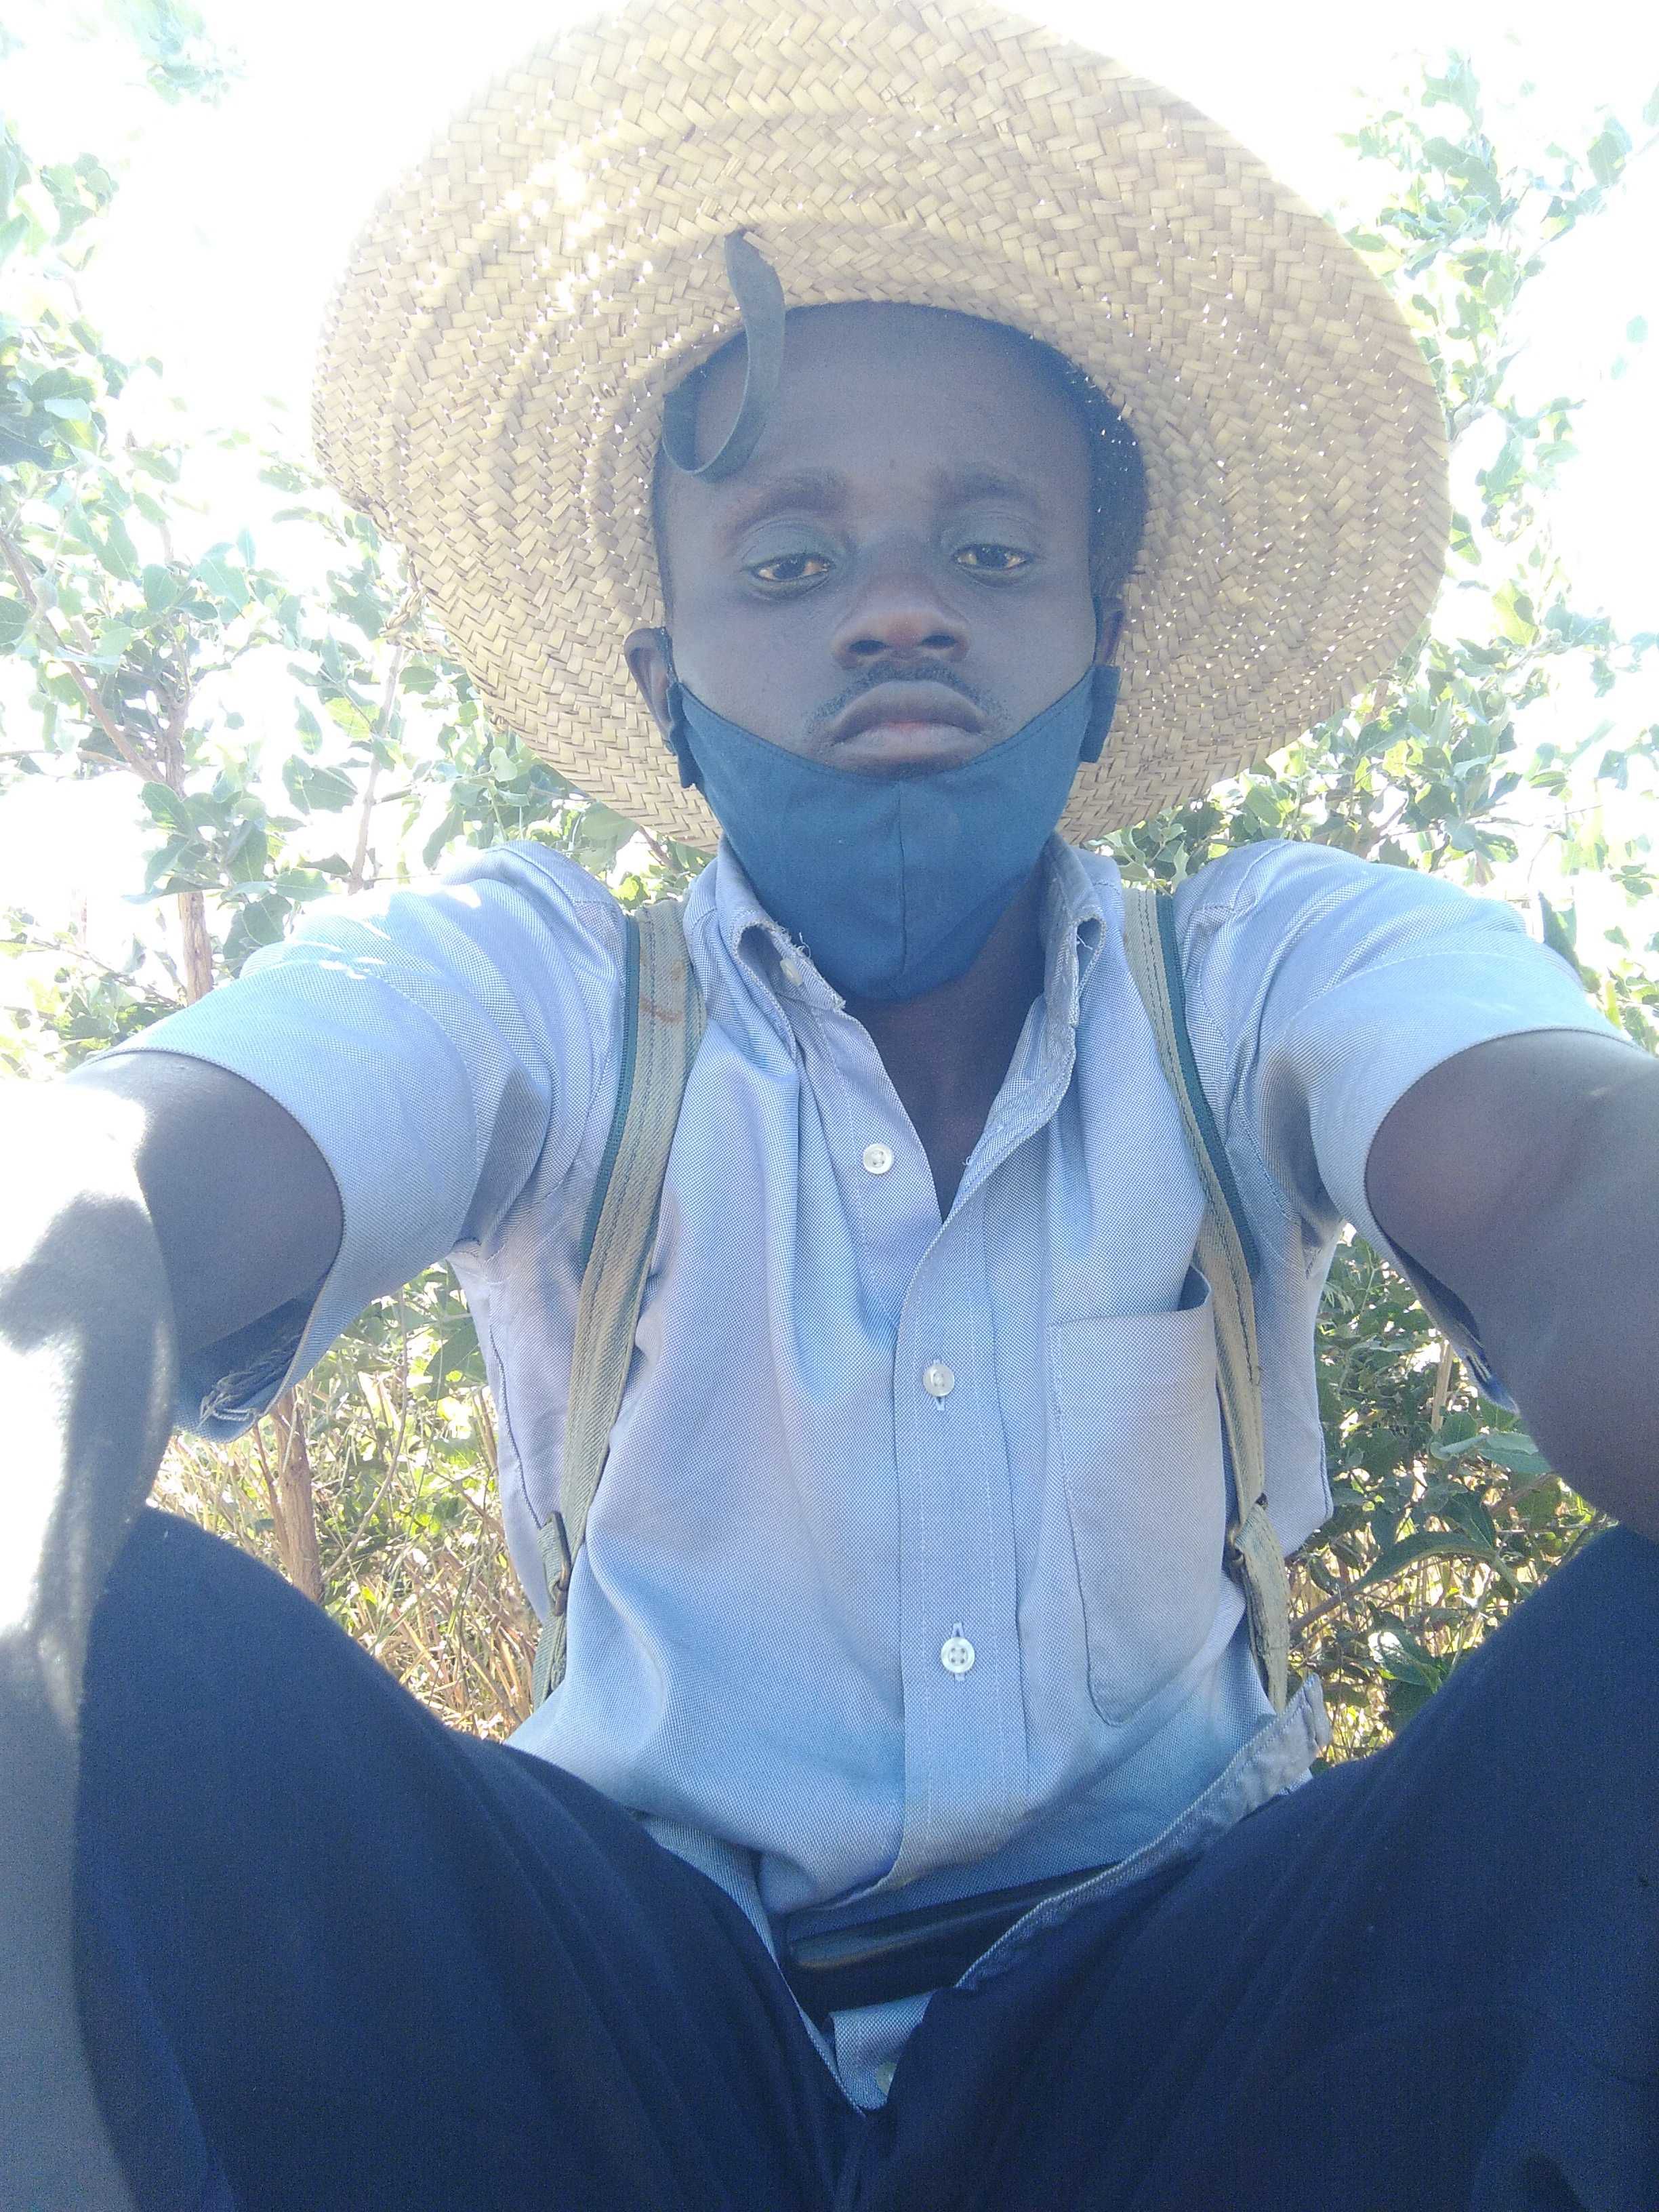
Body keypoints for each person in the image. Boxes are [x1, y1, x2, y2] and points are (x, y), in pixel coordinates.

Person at [4, 3, 1657, 2206]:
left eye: (992, 556)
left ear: (1105, 661)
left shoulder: (1266, 973)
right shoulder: (544, 996)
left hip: (1181, 2035)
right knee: (123, 1653)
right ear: (667, 690)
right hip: (623, 2042)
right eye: (790, 566)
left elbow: (1574, 1175)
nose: (897, 614)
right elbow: (90, 1202)